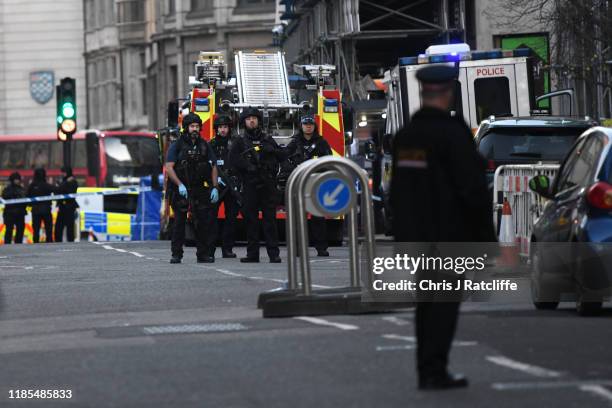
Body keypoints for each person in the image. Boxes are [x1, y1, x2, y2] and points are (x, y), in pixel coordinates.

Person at [390, 65, 495, 390]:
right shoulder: (453, 133)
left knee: (426, 303)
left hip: (420, 237)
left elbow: (400, 192)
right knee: (445, 305)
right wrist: (486, 242)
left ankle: (426, 367)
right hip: (452, 235)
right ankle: (436, 370)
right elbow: (472, 190)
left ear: (423, 93)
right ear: (449, 93)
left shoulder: (407, 136)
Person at [229, 107, 285, 263]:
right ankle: (252, 254)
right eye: (248, 119)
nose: (251, 121)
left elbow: (282, 156)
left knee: (270, 221)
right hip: (250, 184)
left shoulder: (267, 139)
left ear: (259, 120)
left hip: (267, 184)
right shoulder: (240, 141)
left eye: (254, 118)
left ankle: (274, 254)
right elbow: (232, 160)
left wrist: (271, 150)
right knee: (251, 221)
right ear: (244, 122)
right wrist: (247, 167)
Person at [166, 112, 219, 264]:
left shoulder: (204, 145)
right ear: (186, 128)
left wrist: (214, 187)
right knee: (179, 223)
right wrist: (180, 185)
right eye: (192, 126)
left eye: (197, 126)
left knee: (202, 222)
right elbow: (169, 167)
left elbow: (213, 166)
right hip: (181, 188)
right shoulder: (177, 145)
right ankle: (176, 254)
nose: (195, 129)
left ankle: (202, 254)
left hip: (198, 188)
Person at [285, 114, 333, 256]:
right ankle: (298, 248)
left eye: (310, 124)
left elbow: (328, 161)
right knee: (298, 217)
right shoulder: (295, 143)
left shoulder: (321, 142)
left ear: (314, 126)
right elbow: (285, 159)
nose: (308, 126)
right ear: (301, 126)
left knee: (318, 216)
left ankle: (321, 248)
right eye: (305, 124)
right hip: (299, 181)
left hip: (315, 181)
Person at [210, 115, 240, 258]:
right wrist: (215, 181)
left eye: (225, 127)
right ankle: (209, 249)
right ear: (216, 129)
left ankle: (227, 249)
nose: (223, 130)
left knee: (231, 219)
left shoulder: (236, 143)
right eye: (220, 127)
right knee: (211, 217)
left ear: (229, 128)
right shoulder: (211, 144)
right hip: (217, 185)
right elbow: (207, 165)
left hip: (232, 184)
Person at [27, 167, 55, 243]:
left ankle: (36, 242)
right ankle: (49, 242)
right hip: (46, 210)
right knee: (48, 228)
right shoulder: (46, 185)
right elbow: (56, 190)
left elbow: (27, 196)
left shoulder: (32, 186)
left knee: (36, 229)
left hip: (36, 210)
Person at [54, 167, 79, 242]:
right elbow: (58, 191)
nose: (62, 174)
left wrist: (63, 185)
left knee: (69, 228)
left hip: (69, 207)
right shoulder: (64, 181)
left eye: (63, 172)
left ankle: (70, 242)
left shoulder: (73, 182)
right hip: (62, 207)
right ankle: (58, 241)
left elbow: (66, 191)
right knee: (58, 228)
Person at [2, 172, 27, 244]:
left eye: (18, 179)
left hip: (19, 213)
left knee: (20, 230)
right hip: (10, 213)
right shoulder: (8, 189)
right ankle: (7, 244)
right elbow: (5, 197)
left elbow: (25, 199)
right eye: (16, 179)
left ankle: (18, 244)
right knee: (9, 230)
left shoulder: (21, 189)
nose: (17, 181)